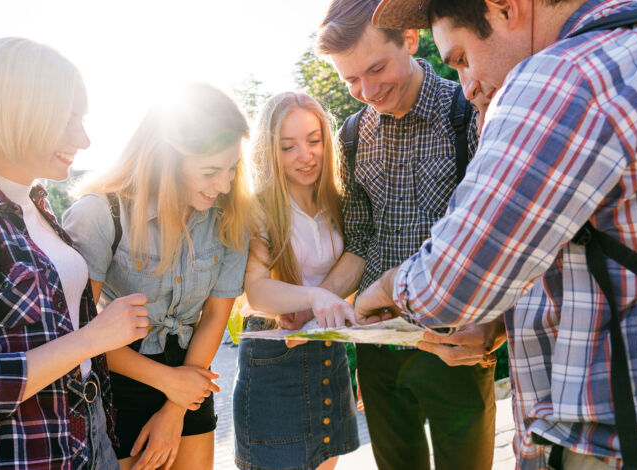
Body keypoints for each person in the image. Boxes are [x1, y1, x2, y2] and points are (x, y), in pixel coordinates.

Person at [358, 0, 637, 468]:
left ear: (504, 8)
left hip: (621, 443)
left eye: (462, 58)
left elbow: (449, 284)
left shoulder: (565, 74)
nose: (467, 87)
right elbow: (626, 254)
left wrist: (383, 290)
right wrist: (500, 325)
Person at [0, 37, 150, 469]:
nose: (85, 138)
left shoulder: (38, 208)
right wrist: (92, 339)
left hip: (87, 441)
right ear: (15, 111)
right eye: (69, 118)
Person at [313, 1, 506, 468]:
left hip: (453, 345)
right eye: (350, 80)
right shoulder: (353, 136)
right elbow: (361, 244)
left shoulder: (471, 113)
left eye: (376, 68)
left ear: (412, 40)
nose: (368, 90)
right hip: (379, 353)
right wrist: (310, 304)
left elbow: (500, 240)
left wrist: (496, 327)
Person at [62, 83, 251, 470]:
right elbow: (81, 334)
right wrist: (167, 382)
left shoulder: (231, 217)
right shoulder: (99, 215)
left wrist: (176, 405)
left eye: (232, 169)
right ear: (166, 158)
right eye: (211, 172)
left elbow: (215, 317)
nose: (225, 185)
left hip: (191, 374)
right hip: (116, 375)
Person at [233, 92, 360, 470]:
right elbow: (255, 289)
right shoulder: (259, 209)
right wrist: (314, 297)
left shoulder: (339, 200)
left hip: (328, 350)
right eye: (288, 147)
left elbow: (355, 265)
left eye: (314, 140)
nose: (305, 156)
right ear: (270, 151)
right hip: (275, 358)